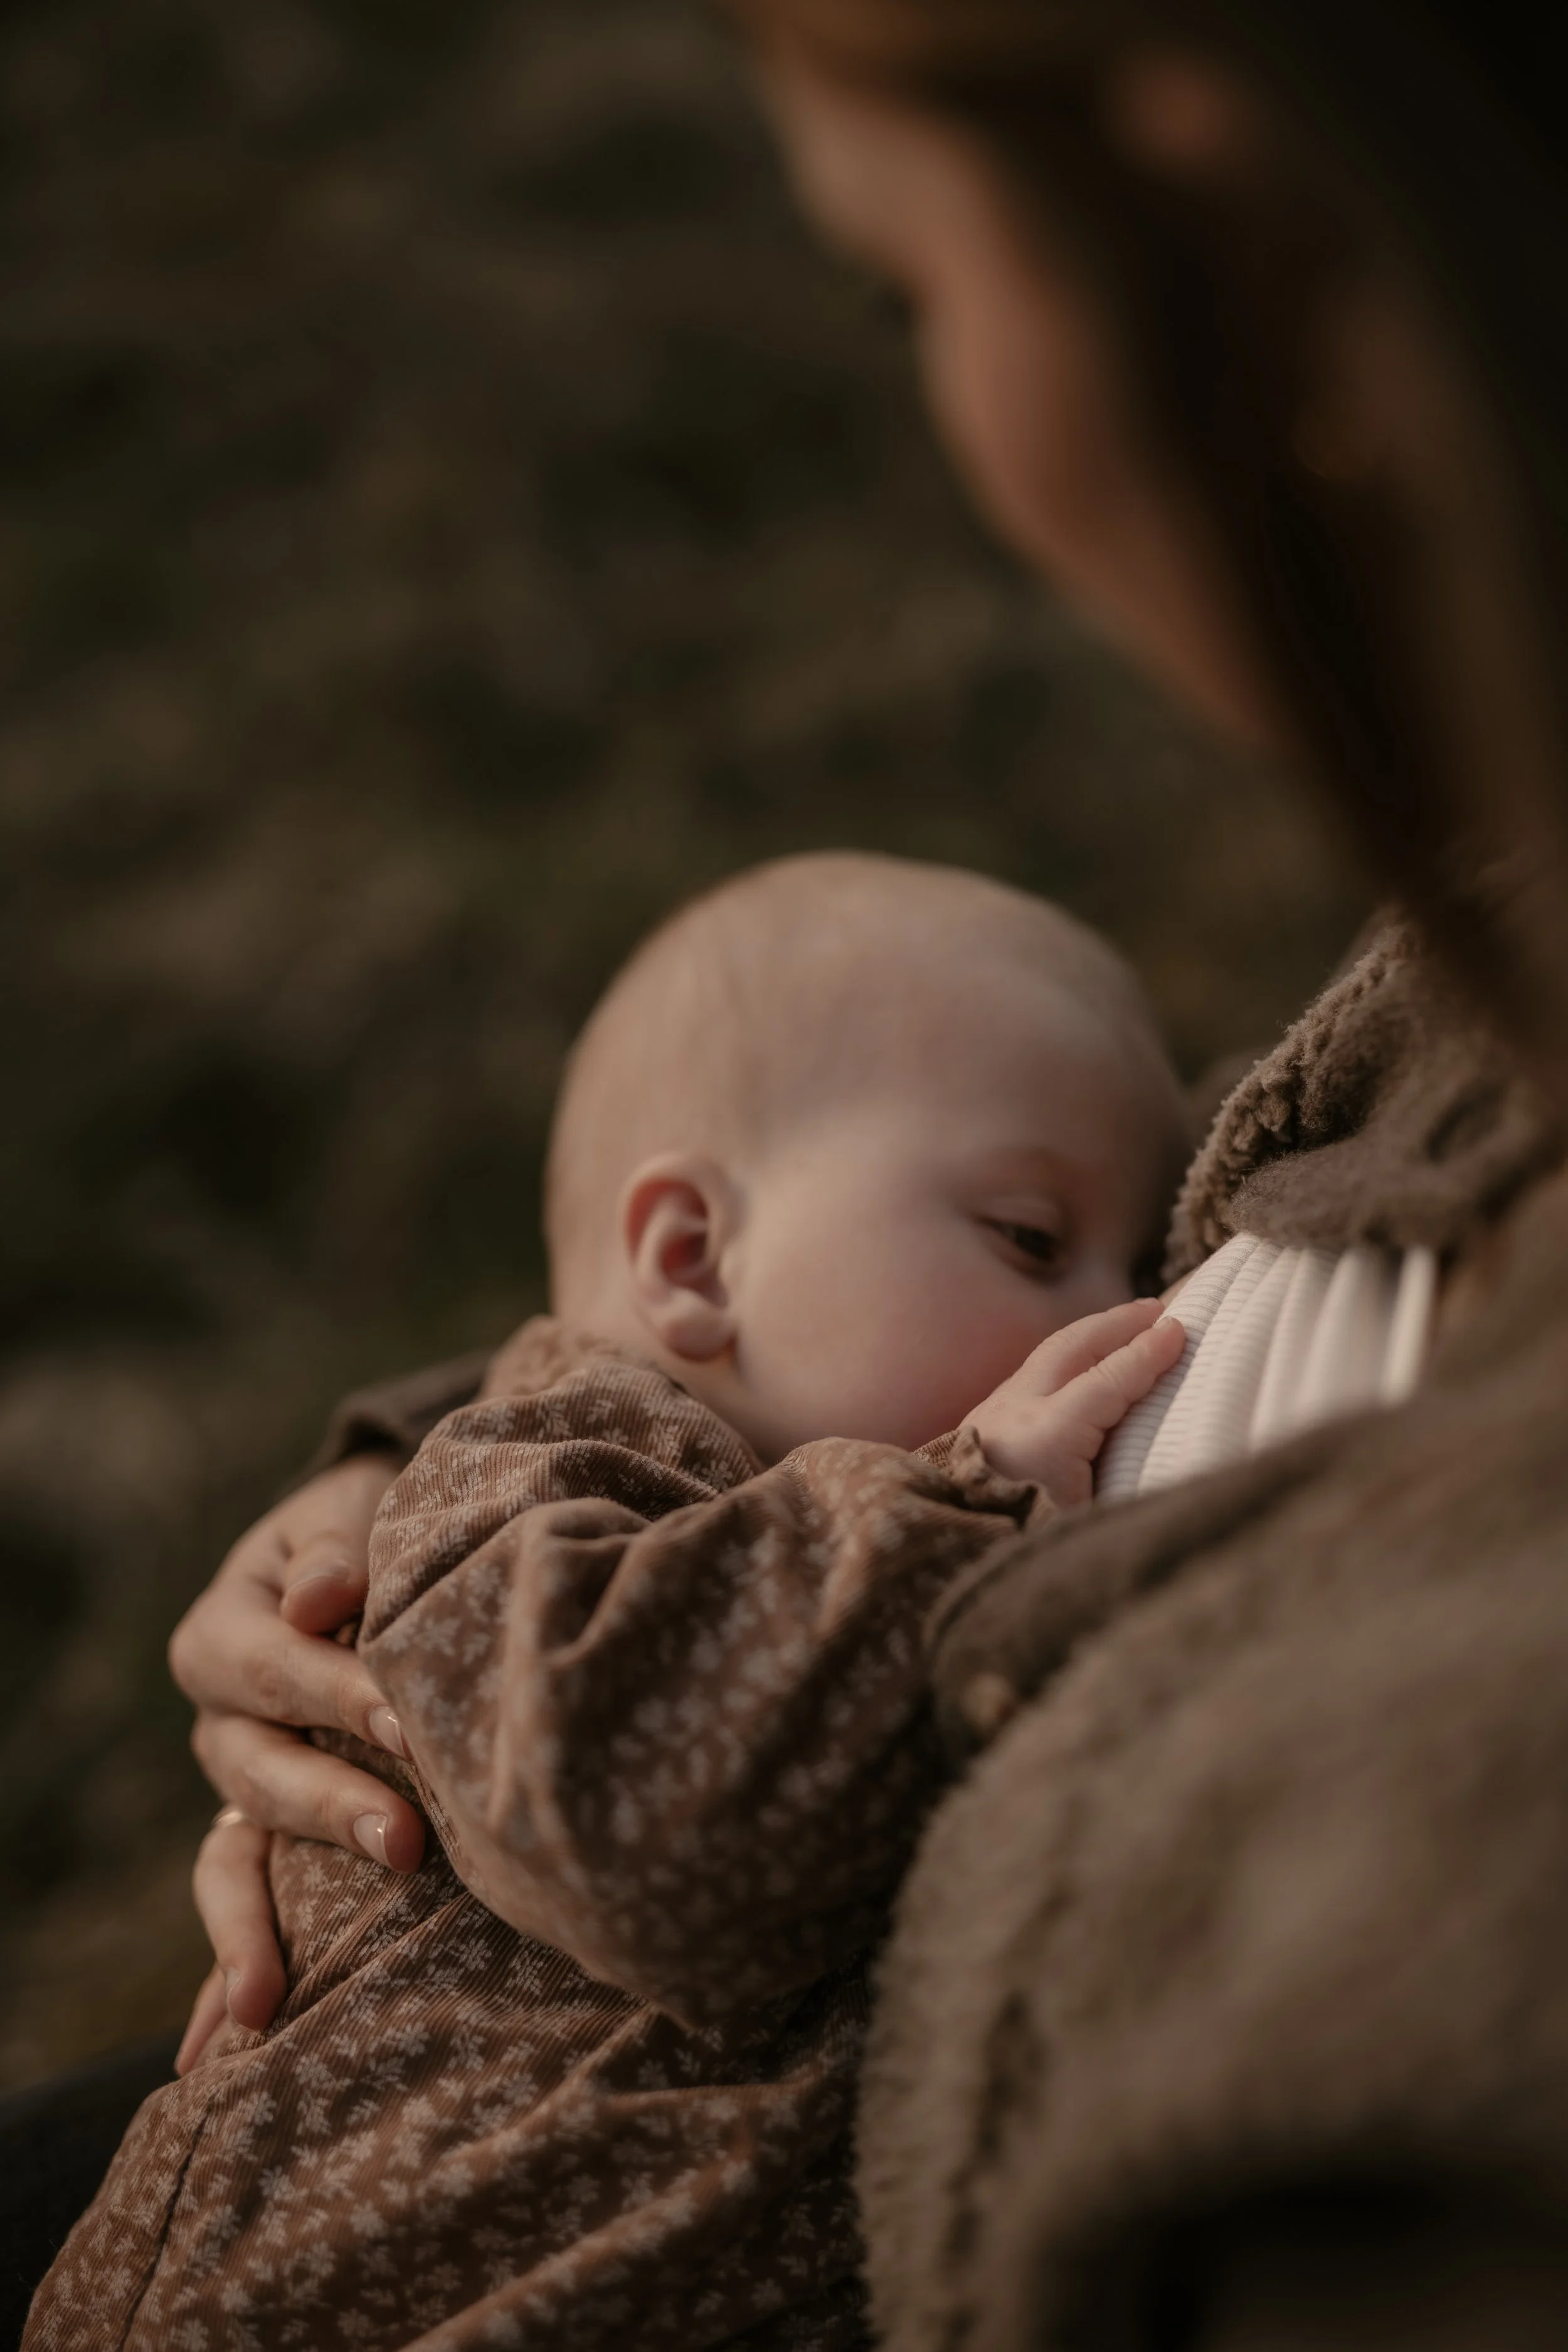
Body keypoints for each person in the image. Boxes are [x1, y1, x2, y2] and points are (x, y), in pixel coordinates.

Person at [119, 1, 1568, 2346]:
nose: (1126, 1300)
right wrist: (410, 1489)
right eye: (1033, 1240)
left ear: (1231, 220)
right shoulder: (1459, 985)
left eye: (911, 287)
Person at [26, 853, 1192, 2349]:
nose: (1123, 1313)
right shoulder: (531, 1482)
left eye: (1140, 1261)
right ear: (691, 1257)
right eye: (1031, 1239)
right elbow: (626, 1817)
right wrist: (968, 1497)